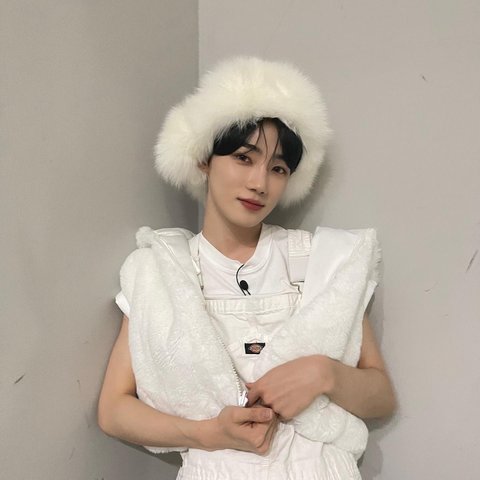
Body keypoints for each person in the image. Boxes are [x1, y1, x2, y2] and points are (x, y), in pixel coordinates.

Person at [98, 56, 396, 479]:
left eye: (278, 168)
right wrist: (209, 433)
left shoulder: (318, 261)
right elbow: (113, 410)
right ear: (204, 159)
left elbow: (381, 396)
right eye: (243, 158)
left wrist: (323, 373)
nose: (260, 183)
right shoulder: (163, 272)